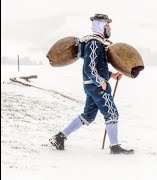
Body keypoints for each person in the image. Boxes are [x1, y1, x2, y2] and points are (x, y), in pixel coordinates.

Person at [49, 13, 134, 155]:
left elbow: (98, 66)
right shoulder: (94, 43)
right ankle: (114, 147)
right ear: (100, 25)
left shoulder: (98, 43)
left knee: (88, 115)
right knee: (112, 113)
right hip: (97, 86)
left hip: (92, 85)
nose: (109, 28)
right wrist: (100, 81)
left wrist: (111, 75)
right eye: (107, 25)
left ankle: (59, 137)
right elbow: (89, 67)